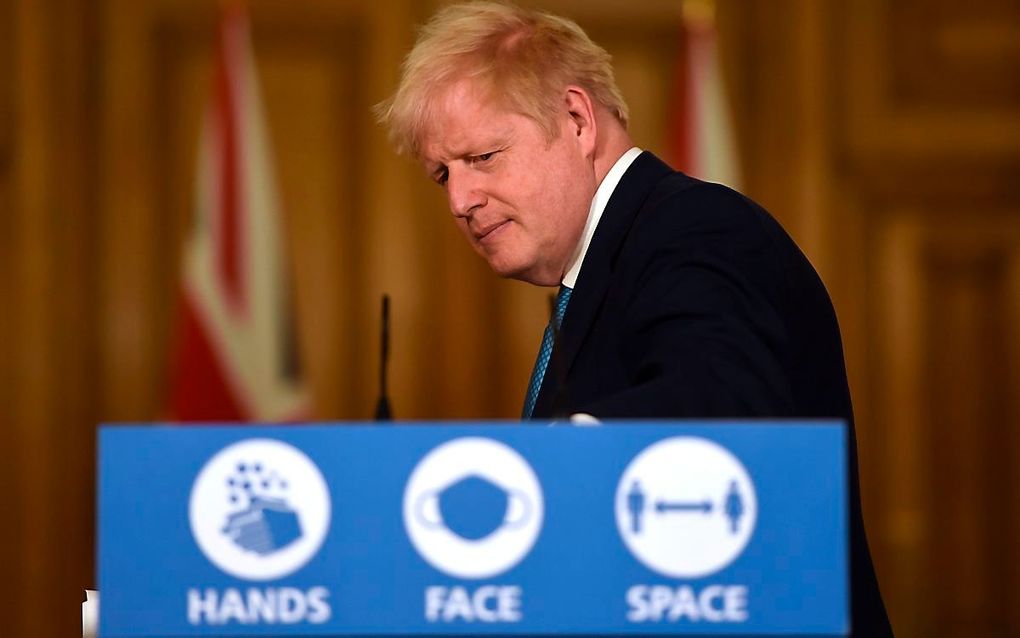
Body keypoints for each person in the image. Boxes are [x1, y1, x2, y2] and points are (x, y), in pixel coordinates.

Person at [376, 2, 892, 634]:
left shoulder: (697, 230)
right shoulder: (609, 263)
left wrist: (513, 483)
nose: (460, 200)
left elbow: (717, 409)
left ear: (576, 119)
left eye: (483, 157)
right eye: (442, 175)